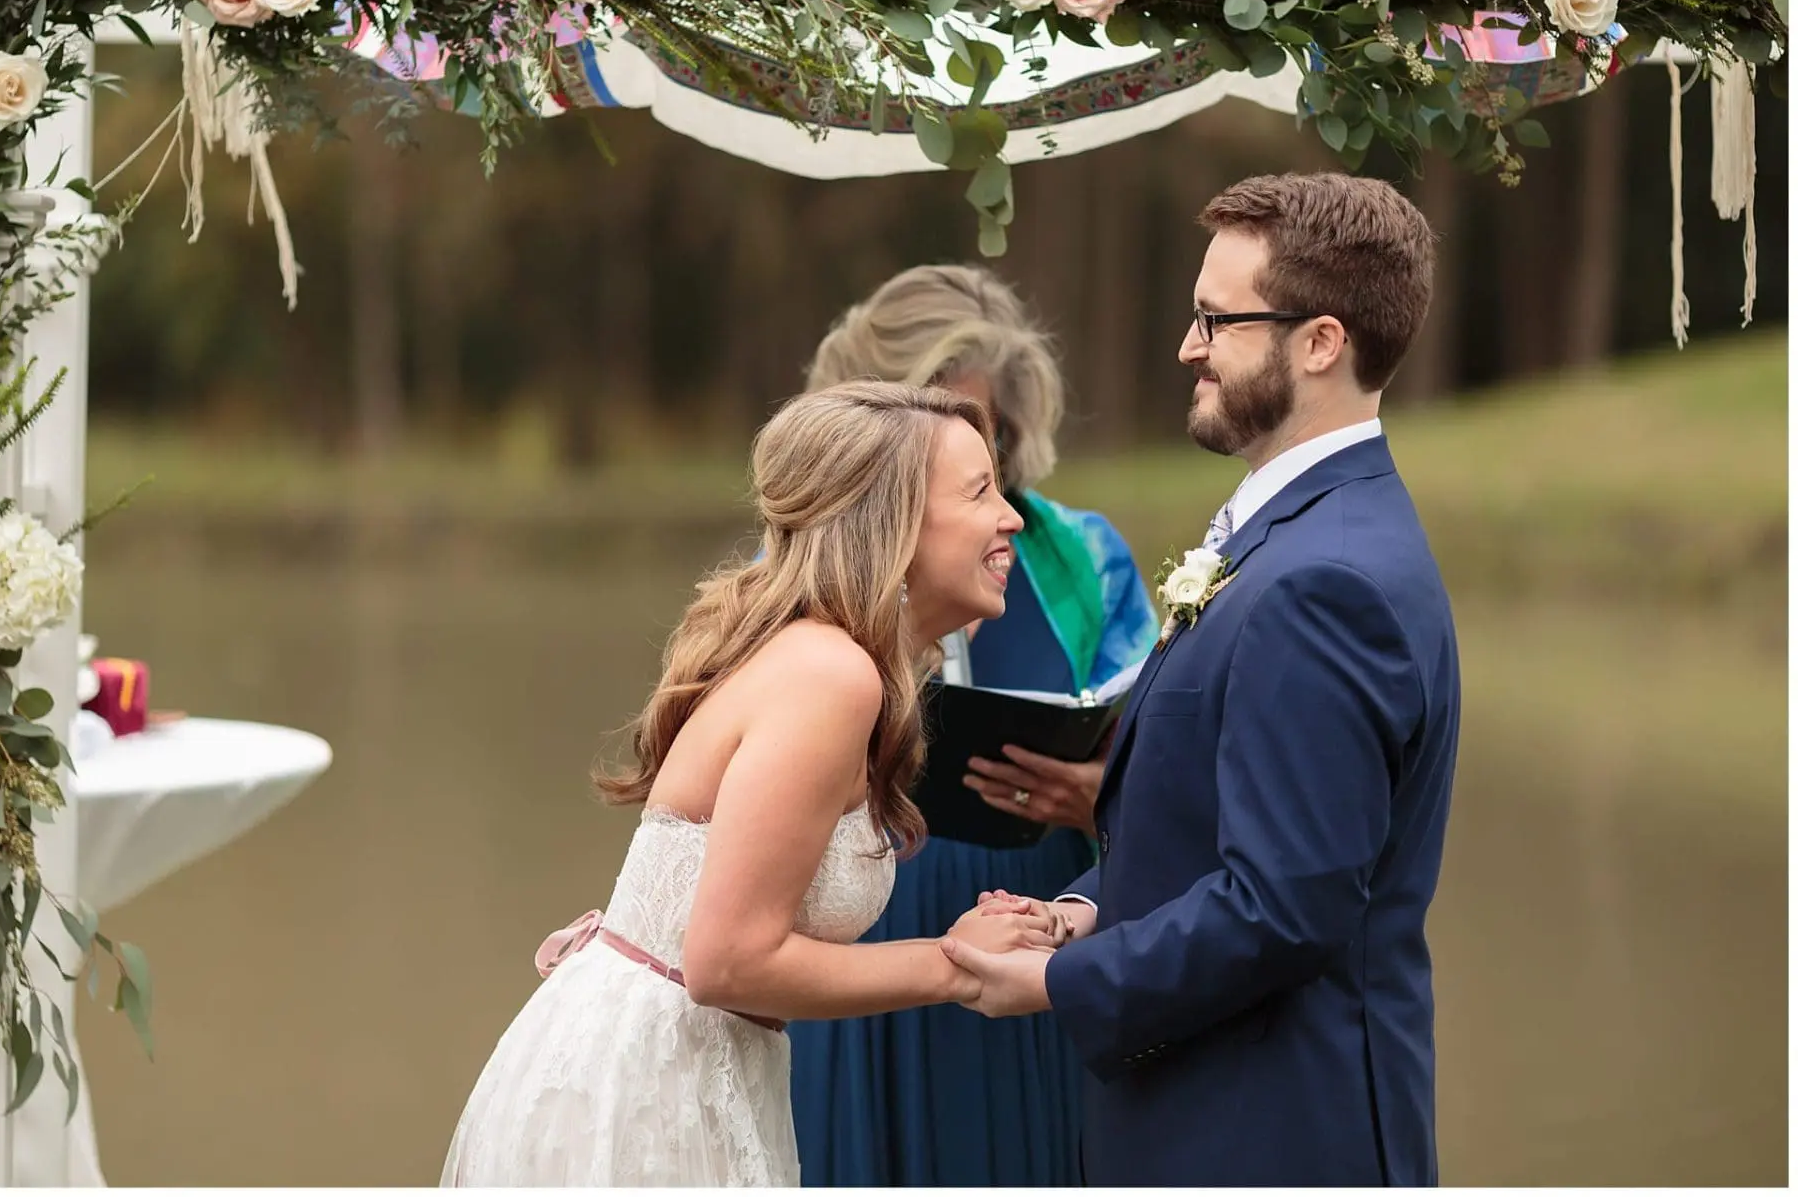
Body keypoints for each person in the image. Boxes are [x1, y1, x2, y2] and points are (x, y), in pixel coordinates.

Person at [944, 173, 1462, 1186]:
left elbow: (1284, 906)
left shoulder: (1325, 579)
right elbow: (1222, 831)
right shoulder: (1300, 531)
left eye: (1216, 321)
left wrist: (1058, 978)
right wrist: (1085, 907)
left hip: (1268, 1130)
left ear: (1319, 342)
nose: (1187, 346)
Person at [440, 381, 1064, 1187]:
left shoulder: (830, 662)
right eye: (982, 493)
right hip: (648, 1091)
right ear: (896, 523)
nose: (1012, 518)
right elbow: (727, 961)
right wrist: (955, 964)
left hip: (705, 1067)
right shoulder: (830, 674)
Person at [789, 266, 1160, 1187]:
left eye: (978, 431)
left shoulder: (1081, 555)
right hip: (862, 927)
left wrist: (1100, 802)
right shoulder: (802, 554)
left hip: (1032, 910)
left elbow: (1161, 760)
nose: (956, 456)